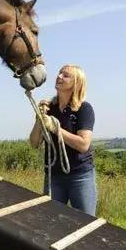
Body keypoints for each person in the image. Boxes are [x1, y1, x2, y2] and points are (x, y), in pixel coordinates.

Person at [29, 64, 97, 215]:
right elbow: (34, 143)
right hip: (53, 176)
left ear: (76, 83)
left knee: (84, 222)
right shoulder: (49, 109)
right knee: (52, 222)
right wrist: (39, 120)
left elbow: (83, 144)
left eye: (66, 75)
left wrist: (55, 128)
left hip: (80, 177)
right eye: (59, 73)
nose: (59, 76)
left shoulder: (84, 109)